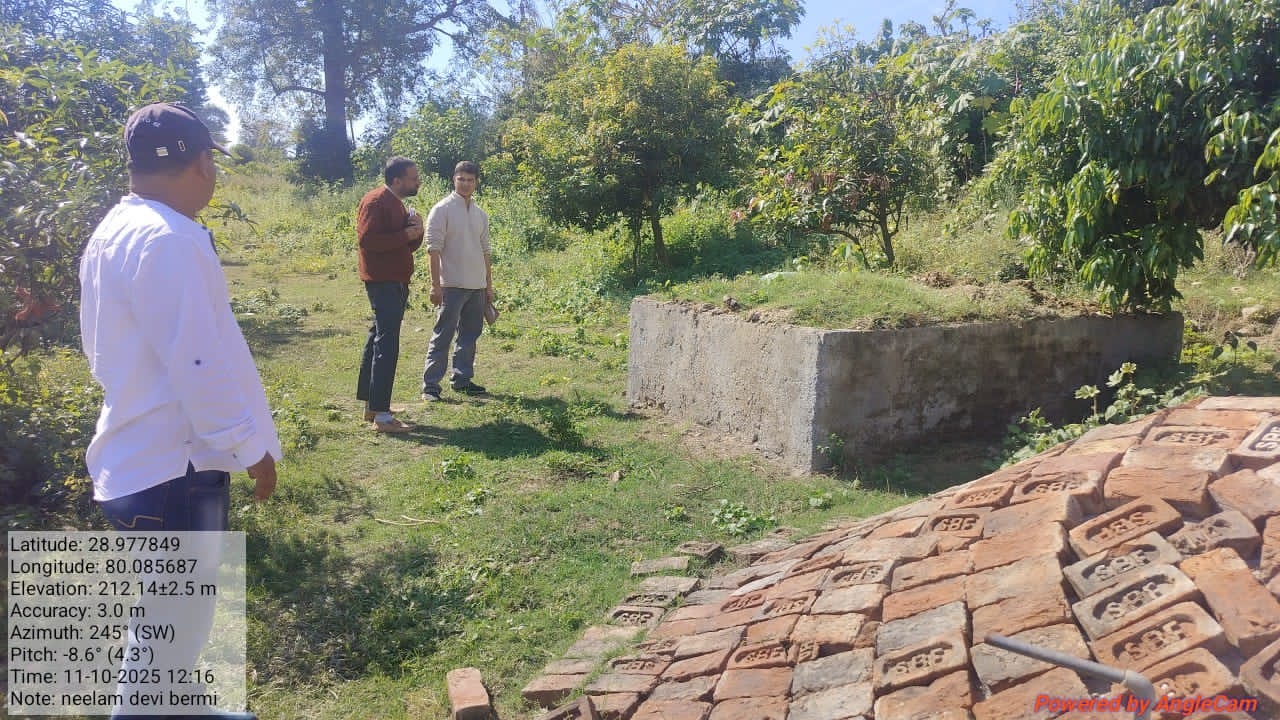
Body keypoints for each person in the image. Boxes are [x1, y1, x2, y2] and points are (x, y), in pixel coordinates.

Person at [79, 102, 280, 719]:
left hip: (139, 455)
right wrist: (251, 448)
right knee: (170, 621)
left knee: (169, 615)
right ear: (201, 162)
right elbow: (197, 363)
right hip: (176, 465)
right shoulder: (169, 239)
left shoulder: (116, 229)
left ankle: (182, 708)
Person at [356, 156, 424, 432]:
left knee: (377, 339)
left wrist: (416, 231)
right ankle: (382, 418)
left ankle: (373, 406)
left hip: (394, 280)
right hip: (383, 281)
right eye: (413, 178)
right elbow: (368, 240)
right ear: (396, 180)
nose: (418, 182)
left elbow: (405, 245)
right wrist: (407, 234)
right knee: (386, 344)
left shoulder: (396, 203)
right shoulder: (376, 202)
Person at [420, 160, 493, 401]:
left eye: (470, 180)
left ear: (476, 182)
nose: (465, 184)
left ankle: (462, 380)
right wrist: (435, 285)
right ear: (454, 179)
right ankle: (430, 387)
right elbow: (433, 250)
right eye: (461, 179)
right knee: (443, 335)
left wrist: (488, 285)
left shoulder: (480, 214)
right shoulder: (442, 209)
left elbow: (485, 252)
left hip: (477, 286)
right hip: (451, 285)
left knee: (469, 336)